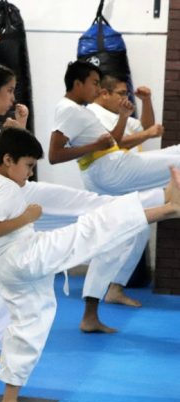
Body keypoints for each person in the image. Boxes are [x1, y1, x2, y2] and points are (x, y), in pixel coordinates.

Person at [0, 64, 166, 364]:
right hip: (6, 195)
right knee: (88, 205)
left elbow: (2, 160)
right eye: (9, 91)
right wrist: (13, 134)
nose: (12, 97)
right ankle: (162, 199)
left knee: (6, 272)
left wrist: (17, 129)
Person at [0, 127, 180, 402]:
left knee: (27, 328)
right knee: (90, 229)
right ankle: (168, 208)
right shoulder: (7, 188)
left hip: (9, 264)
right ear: (7, 160)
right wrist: (28, 216)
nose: (30, 174)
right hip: (25, 257)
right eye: (28, 166)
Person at [85, 74, 165, 306]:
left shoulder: (116, 113)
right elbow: (112, 143)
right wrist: (147, 134)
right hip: (109, 178)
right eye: (121, 93)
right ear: (104, 93)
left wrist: (146, 101)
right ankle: (94, 293)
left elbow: (145, 127)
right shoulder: (92, 114)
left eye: (126, 93)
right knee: (111, 233)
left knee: (139, 229)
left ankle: (115, 289)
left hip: (125, 179)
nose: (125, 98)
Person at [49, 60, 180, 197]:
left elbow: (113, 141)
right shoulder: (68, 108)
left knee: (177, 151)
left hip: (112, 164)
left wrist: (123, 116)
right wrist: (95, 146)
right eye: (95, 83)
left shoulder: (80, 110)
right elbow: (54, 156)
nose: (98, 89)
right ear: (78, 84)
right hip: (110, 169)